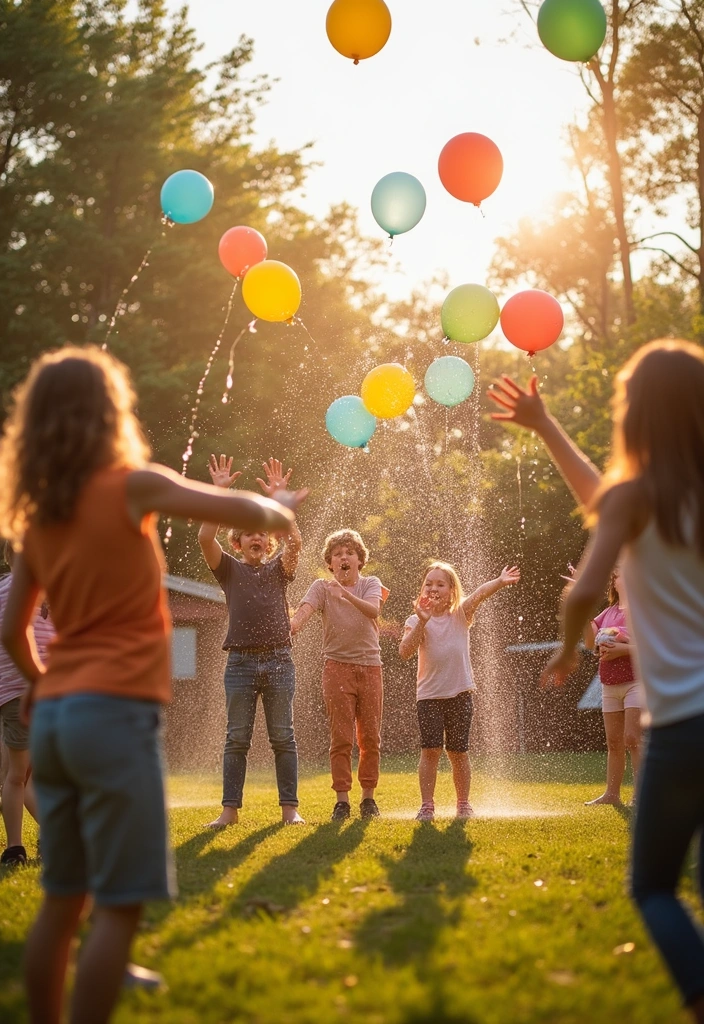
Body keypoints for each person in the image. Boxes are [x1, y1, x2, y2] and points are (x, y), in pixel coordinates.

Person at [0, 346, 301, 1024]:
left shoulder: (35, 523)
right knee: (118, 907)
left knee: (60, 899)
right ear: (111, 414)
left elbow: (14, 631)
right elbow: (243, 512)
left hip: (55, 719)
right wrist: (277, 506)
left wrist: (39, 682)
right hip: (114, 715)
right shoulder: (133, 485)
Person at [539, 340, 704, 1023]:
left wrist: (571, 648)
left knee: (656, 889)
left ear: (632, 415)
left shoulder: (636, 498)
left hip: (683, 729)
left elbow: (582, 593)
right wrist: (547, 427)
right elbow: (596, 500)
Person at [198, 454, 304, 828]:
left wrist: (279, 500)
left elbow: (296, 543)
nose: (256, 536)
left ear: (269, 540)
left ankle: (290, 809)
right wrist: (219, 492)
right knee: (236, 739)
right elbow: (203, 537)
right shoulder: (227, 569)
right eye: (248, 532)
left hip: (279, 661)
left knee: (283, 738)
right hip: (240, 663)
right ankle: (230, 811)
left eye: (262, 531)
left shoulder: (280, 569)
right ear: (238, 542)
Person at [399, 561, 520, 821]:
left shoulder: (461, 614)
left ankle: (463, 804)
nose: (433, 588)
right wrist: (422, 621)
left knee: (458, 752)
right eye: (428, 584)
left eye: (440, 584)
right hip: (429, 697)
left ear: (452, 590)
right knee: (430, 750)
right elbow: (404, 652)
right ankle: (427, 805)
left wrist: (499, 581)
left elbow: (479, 594)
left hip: (460, 693)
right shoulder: (415, 618)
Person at [290, 529, 386, 821]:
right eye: (337, 554)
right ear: (330, 563)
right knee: (341, 737)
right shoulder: (321, 587)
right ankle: (342, 801)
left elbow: (373, 610)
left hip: (370, 667)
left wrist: (343, 593)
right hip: (337, 668)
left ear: (359, 560)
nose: (344, 557)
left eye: (350, 553)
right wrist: (292, 626)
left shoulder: (371, 583)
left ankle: (368, 799)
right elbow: (305, 610)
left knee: (370, 738)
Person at [0, 541, 55, 865]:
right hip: (42, 691)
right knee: (28, 774)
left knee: (19, 775)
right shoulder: (48, 591)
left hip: (13, 693)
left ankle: (15, 848)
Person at [583, 566, 643, 806]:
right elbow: (590, 643)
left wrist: (622, 649)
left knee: (633, 738)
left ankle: (641, 796)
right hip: (609, 684)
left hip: (636, 682)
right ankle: (612, 795)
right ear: (614, 583)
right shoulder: (606, 613)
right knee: (614, 742)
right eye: (617, 574)